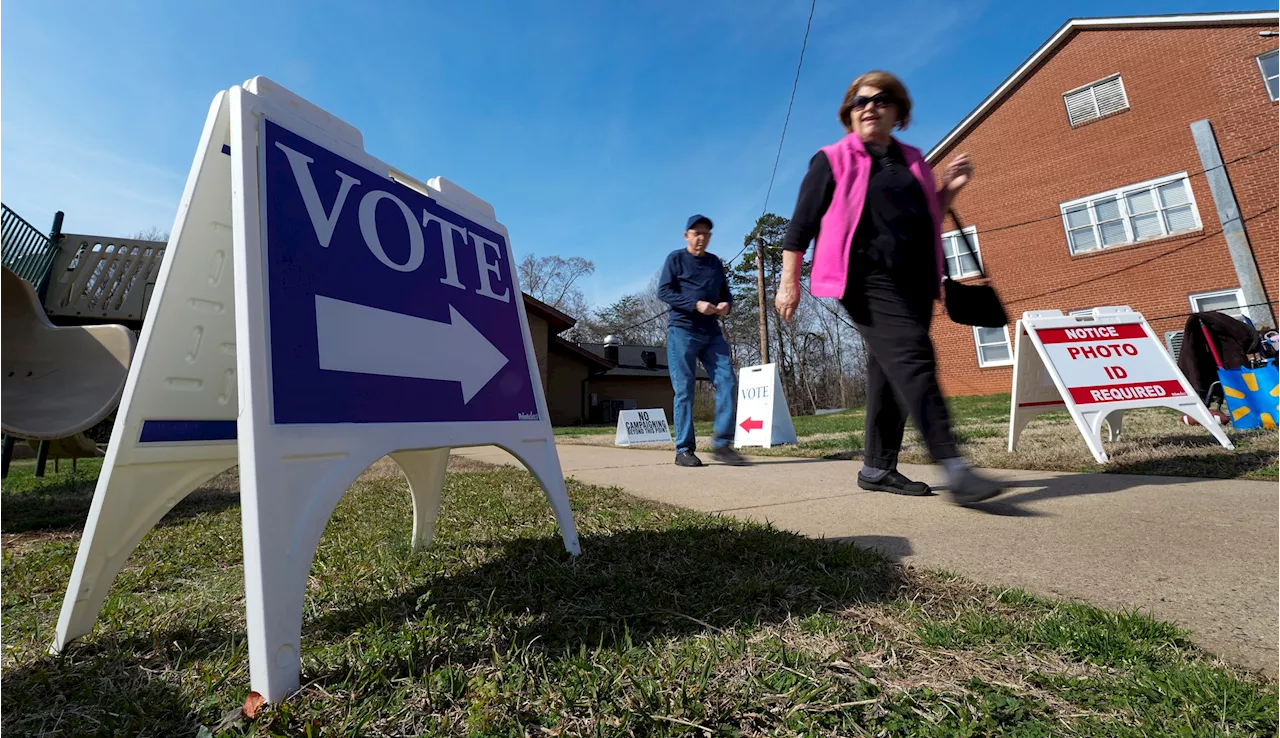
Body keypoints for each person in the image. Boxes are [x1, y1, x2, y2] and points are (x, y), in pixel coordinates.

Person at [774, 70, 1003, 505]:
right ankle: (954, 465)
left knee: (889, 374)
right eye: (859, 102)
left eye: (880, 100)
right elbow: (800, 225)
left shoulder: (912, 159)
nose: (869, 108)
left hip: (916, 280)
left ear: (898, 109)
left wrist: (949, 190)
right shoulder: (833, 158)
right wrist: (789, 283)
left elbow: (924, 218)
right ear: (849, 112)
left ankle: (877, 468)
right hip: (863, 278)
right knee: (914, 357)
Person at [657, 215, 750, 468]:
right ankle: (684, 450)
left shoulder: (714, 263)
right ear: (686, 235)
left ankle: (722, 445)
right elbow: (663, 291)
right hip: (682, 331)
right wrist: (695, 304)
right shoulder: (675, 259)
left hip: (712, 332)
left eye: (706, 234)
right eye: (696, 233)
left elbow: (726, 294)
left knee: (728, 381)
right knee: (685, 390)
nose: (701, 238)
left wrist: (725, 306)